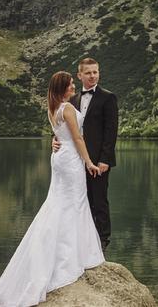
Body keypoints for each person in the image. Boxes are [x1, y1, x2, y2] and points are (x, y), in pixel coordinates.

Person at [0, 71, 104, 306]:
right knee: (73, 204)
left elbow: (60, 134)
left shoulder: (53, 107)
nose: (73, 88)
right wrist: (89, 161)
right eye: (70, 85)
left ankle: (66, 250)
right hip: (70, 160)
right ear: (62, 88)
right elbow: (77, 138)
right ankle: (69, 257)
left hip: (60, 158)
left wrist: (56, 142)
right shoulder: (67, 108)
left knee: (60, 203)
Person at [53, 57, 119, 250]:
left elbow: (111, 131)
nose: (93, 76)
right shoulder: (72, 99)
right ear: (79, 75)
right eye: (88, 73)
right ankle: (83, 241)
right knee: (81, 199)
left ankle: (102, 241)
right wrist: (54, 139)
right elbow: (62, 126)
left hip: (98, 161)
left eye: (95, 72)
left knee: (99, 200)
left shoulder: (108, 97)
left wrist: (105, 159)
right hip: (74, 160)